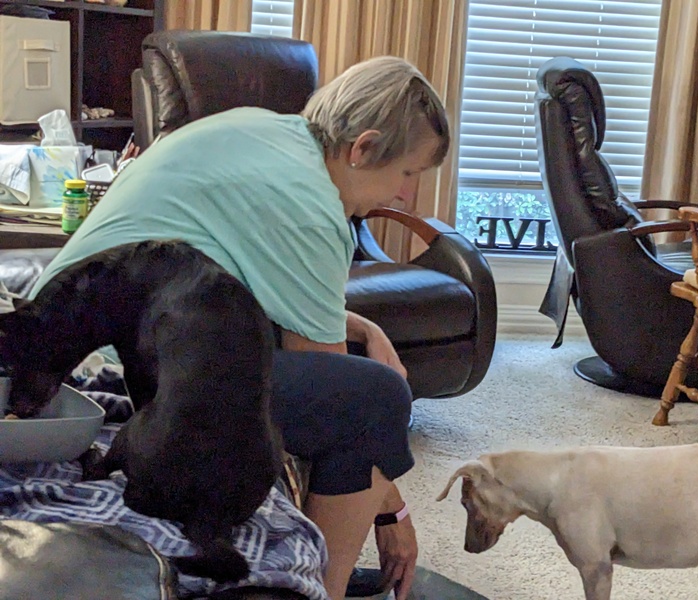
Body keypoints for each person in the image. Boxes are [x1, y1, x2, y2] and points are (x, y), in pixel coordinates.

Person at [29, 55, 450, 600]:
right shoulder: (310, 204)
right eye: (409, 174)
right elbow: (335, 385)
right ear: (363, 148)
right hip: (98, 371)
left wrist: (364, 326)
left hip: (72, 340)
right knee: (374, 401)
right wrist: (395, 509)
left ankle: (326, 574)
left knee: (357, 392)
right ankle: (327, 589)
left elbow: (243, 283)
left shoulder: (267, 133)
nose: (407, 197)